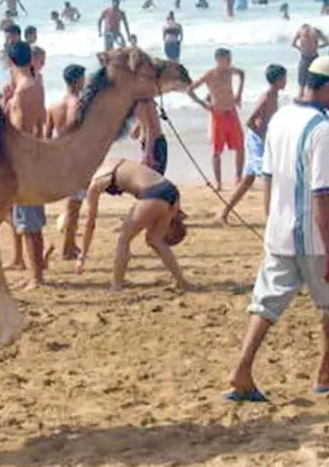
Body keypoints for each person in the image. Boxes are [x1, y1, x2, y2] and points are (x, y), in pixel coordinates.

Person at [226, 56, 329, 402]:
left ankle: (242, 370)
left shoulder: (281, 117)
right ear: (328, 86)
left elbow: (268, 177)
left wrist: (270, 223)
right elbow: (322, 194)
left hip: (280, 231)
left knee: (266, 303)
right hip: (316, 237)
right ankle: (326, 374)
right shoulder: (322, 129)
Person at [76, 158, 188, 291]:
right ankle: (181, 281)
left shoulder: (96, 183)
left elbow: (90, 223)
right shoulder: (110, 161)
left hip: (153, 193)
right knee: (155, 239)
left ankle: (116, 285)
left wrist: (82, 255)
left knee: (124, 239)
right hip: (170, 189)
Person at [219, 64, 287, 224]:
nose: (285, 81)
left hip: (263, 140)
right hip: (257, 140)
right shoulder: (267, 97)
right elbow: (250, 121)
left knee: (248, 179)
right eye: (283, 78)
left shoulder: (274, 95)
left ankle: (224, 212)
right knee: (269, 176)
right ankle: (270, 218)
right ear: (277, 80)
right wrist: (262, 137)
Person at [5, 42, 48, 290]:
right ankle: (35, 272)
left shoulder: (22, 91)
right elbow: (41, 123)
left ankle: (36, 277)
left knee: (28, 222)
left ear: (10, 61)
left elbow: (20, 132)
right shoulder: (36, 85)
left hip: (24, 160)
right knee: (29, 221)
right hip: (35, 156)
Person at [188, 47, 245, 191]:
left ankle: (238, 178)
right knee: (217, 150)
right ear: (218, 60)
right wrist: (203, 104)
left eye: (231, 59)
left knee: (240, 146)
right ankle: (218, 182)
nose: (230, 62)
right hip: (218, 115)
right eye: (228, 59)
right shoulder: (210, 75)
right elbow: (190, 90)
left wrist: (239, 94)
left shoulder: (230, 71)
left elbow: (242, 73)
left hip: (231, 112)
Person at [46, 64, 86, 259]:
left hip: (59, 159)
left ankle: (70, 245)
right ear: (78, 81)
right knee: (74, 208)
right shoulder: (78, 105)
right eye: (83, 79)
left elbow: (46, 137)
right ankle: (67, 249)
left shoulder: (53, 106)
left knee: (71, 206)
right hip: (75, 160)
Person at [291, 24, 329, 91]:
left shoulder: (300, 31)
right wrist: (318, 47)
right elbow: (327, 42)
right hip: (314, 57)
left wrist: (301, 49)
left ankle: (301, 95)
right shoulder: (316, 31)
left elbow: (293, 44)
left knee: (302, 83)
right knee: (315, 81)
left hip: (304, 58)